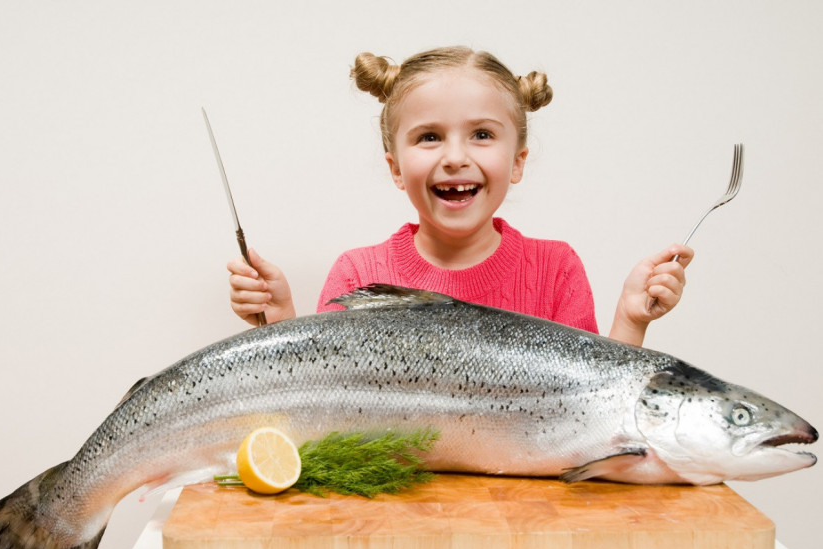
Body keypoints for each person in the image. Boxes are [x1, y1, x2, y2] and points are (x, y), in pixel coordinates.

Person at [227, 46, 693, 347]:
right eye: (429, 137)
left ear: (517, 162)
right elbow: (321, 400)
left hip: (522, 502)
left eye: (482, 134)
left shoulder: (555, 270)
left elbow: (588, 404)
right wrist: (282, 326)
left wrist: (632, 322)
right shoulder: (359, 274)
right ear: (395, 167)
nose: (454, 157)